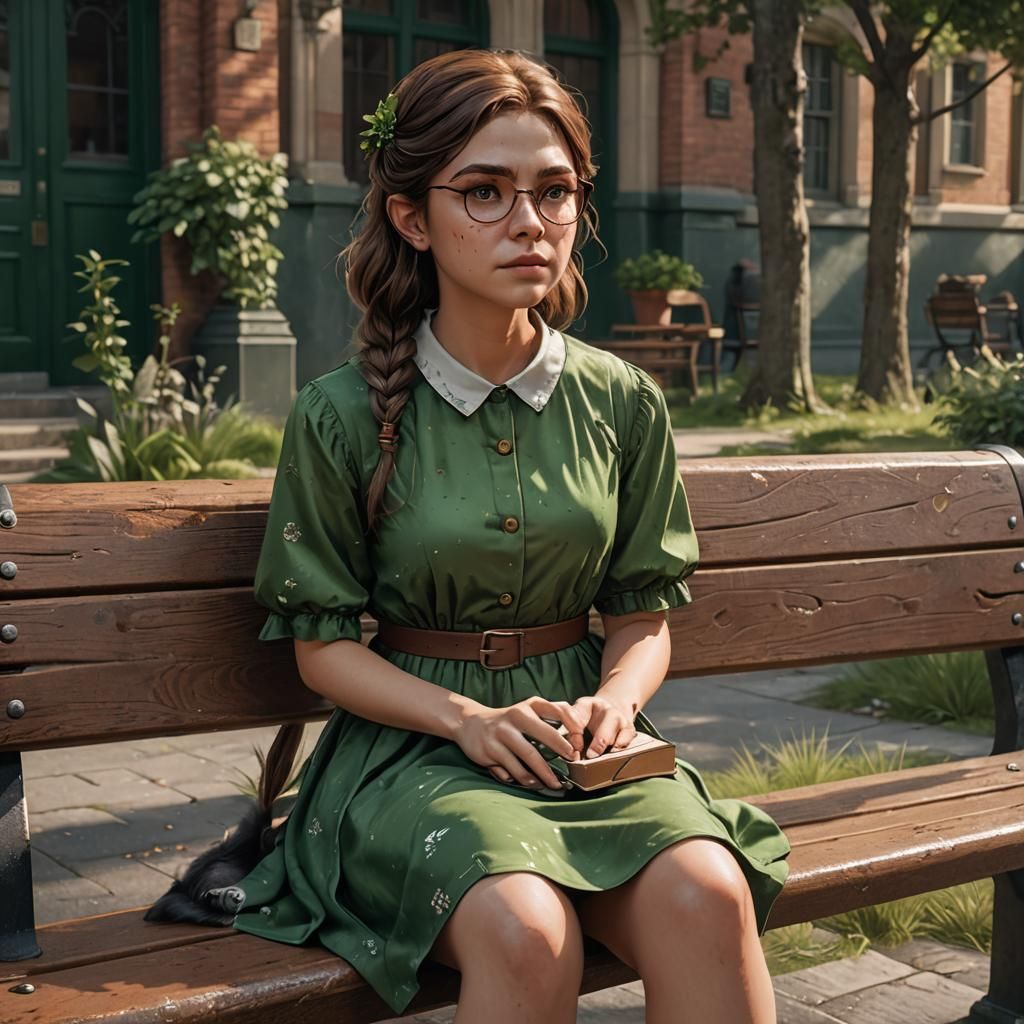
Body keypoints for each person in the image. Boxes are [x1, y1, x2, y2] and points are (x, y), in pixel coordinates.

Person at [148, 48, 790, 1024]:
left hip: (581, 745)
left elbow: (642, 614)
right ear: (414, 217)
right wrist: (466, 720)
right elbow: (323, 655)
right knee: (525, 928)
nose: (528, 222)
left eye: (553, 192)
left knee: (708, 891)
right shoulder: (339, 417)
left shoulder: (620, 402)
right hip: (413, 754)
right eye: (484, 192)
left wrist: (617, 702)